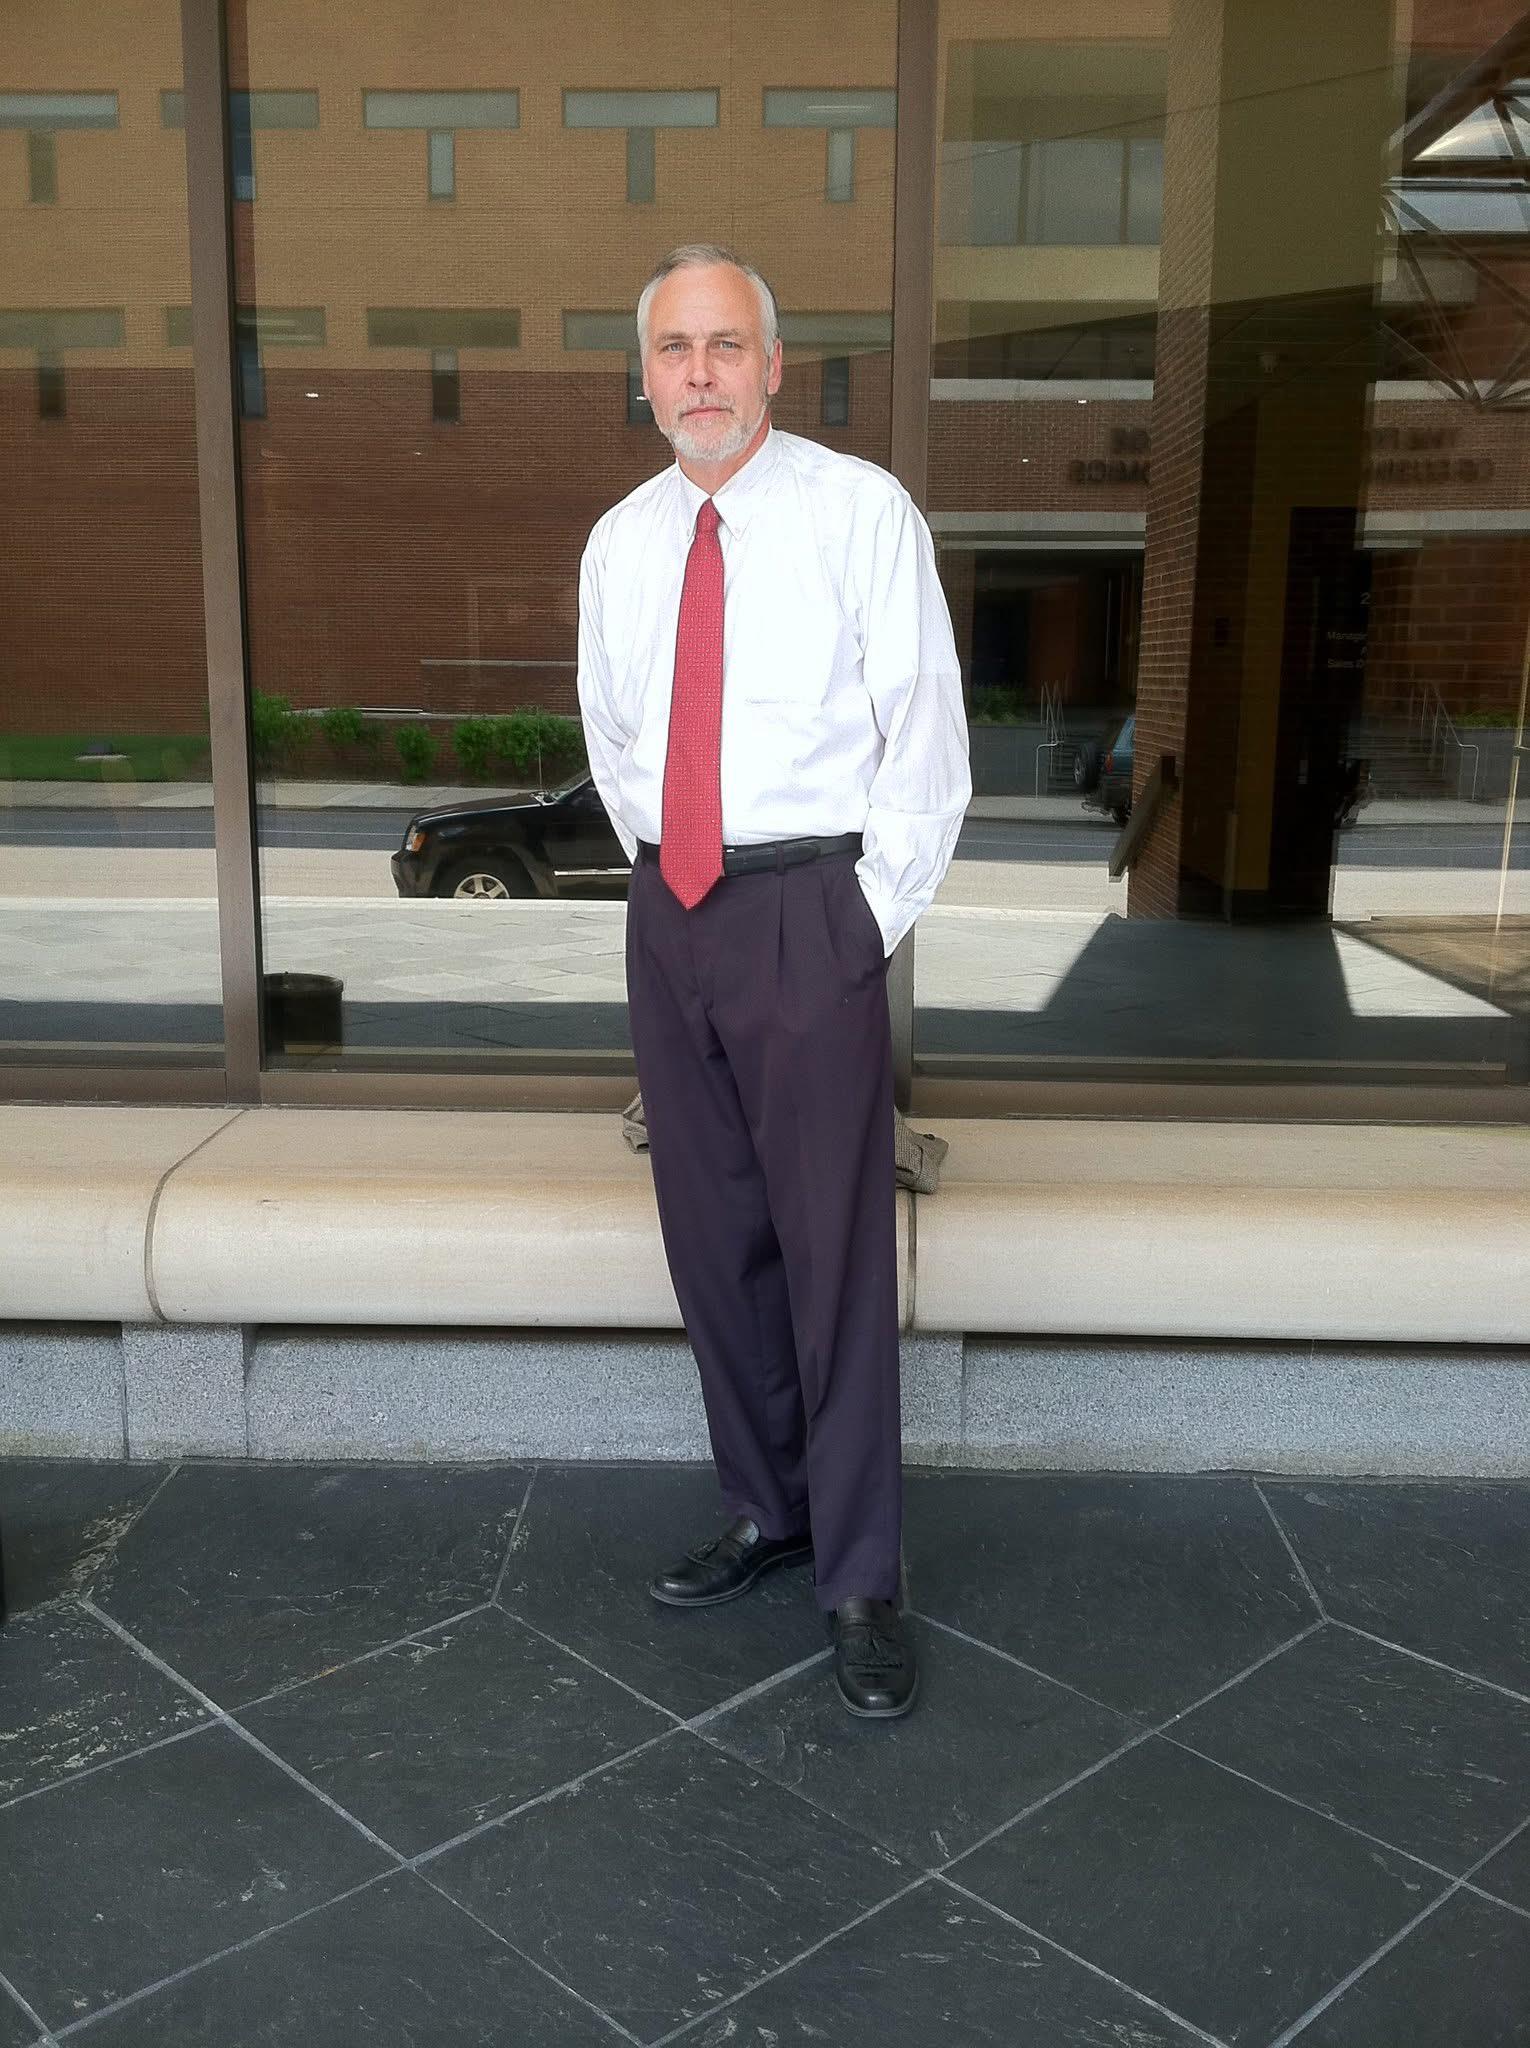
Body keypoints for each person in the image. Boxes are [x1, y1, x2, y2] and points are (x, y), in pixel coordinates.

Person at [576, 244, 970, 1719]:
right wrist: (671, 880)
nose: (698, 374)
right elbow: (614, 734)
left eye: (724, 345)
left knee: (833, 1254)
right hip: (670, 908)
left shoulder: (861, 515)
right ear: (646, 373)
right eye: (673, 348)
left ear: (773, 363)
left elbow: (923, 744)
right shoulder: (622, 539)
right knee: (712, 1239)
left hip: (812, 910)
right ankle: (768, 1507)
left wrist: (855, 922)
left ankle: (859, 1573)